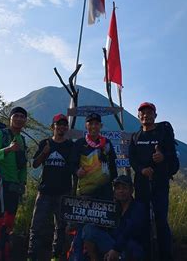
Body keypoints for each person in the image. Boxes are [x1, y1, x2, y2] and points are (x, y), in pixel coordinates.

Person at [128, 102, 179, 260]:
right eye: (142, 113)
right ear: (138, 116)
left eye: (149, 113)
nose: (146, 115)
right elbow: (132, 159)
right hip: (141, 185)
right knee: (142, 221)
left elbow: (173, 156)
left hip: (160, 185)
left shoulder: (162, 134)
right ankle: (144, 255)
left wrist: (163, 157)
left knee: (161, 221)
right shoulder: (135, 137)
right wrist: (141, 170)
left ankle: (165, 256)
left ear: (155, 116)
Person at [69, 112, 118, 260]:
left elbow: (113, 168)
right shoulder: (79, 144)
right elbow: (71, 164)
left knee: (103, 227)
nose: (94, 126)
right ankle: (77, 258)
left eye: (97, 123)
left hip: (105, 194)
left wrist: (113, 183)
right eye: (91, 123)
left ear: (101, 126)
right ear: (86, 125)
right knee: (81, 228)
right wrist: (76, 171)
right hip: (86, 194)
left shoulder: (107, 143)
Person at [28, 113, 74, 261]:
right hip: (44, 192)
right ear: (53, 126)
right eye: (58, 124)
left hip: (63, 192)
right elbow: (34, 164)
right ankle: (32, 255)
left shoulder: (70, 145)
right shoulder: (44, 143)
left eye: (64, 124)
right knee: (36, 226)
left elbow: (74, 167)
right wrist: (44, 153)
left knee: (61, 227)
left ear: (66, 127)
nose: (61, 127)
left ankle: (56, 255)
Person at [0, 106, 29, 261]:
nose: (18, 119)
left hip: (14, 187)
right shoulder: (1, 134)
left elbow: (22, 165)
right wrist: (8, 149)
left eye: (22, 117)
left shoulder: (22, 139)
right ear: (10, 118)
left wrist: (23, 183)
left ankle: (4, 256)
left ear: (25, 120)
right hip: (0, 184)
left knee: (9, 224)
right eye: (16, 116)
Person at [81, 175, 149, 261]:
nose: (121, 191)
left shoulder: (138, 208)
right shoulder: (112, 208)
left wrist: (115, 250)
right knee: (88, 229)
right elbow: (101, 224)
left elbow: (129, 231)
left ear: (131, 190)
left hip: (131, 248)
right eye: (118, 188)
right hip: (113, 244)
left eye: (124, 188)